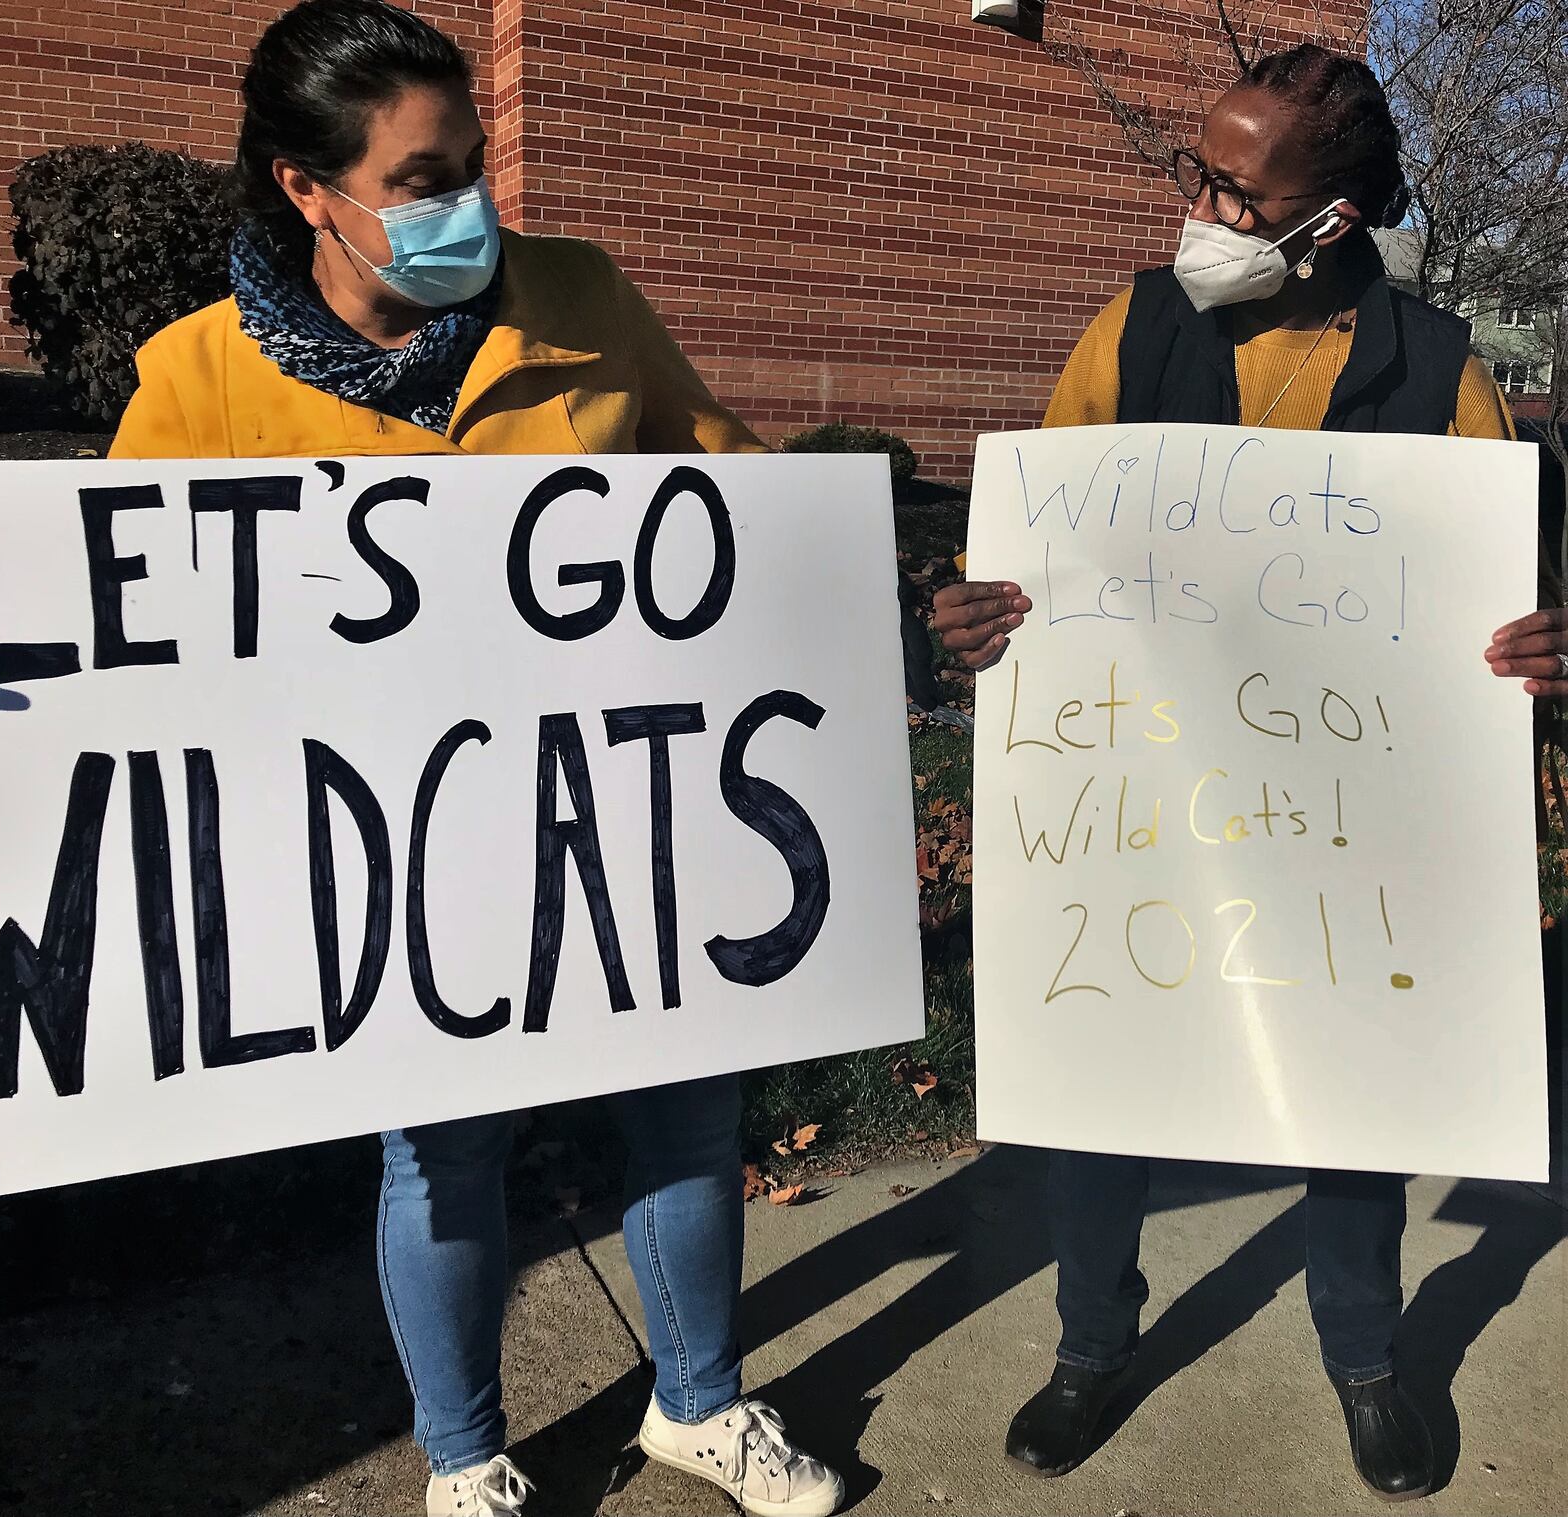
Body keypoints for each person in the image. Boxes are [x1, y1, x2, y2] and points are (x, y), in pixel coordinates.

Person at [109, 5, 844, 1515]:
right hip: (402, 865)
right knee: (443, 1155)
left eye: (477, 162)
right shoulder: (195, 382)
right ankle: (465, 1455)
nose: (472, 206)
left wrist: (878, 591)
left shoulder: (578, 298)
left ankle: (700, 1403)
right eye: (423, 178)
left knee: (687, 1117)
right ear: (306, 187)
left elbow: (735, 495)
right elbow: (129, 650)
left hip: (621, 817)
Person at [933, 42, 1562, 1502]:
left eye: (1232, 185)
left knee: (1349, 1092)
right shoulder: (1133, 330)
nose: (1199, 206)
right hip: (1140, 808)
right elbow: (1027, 545)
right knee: (1112, 1074)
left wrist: (1537, 651)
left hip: (1342, 832)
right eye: (1197, 170)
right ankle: (1094, 1341)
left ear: (1327, 223)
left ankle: (1365, 1357)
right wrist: (975, 608)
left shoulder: (1440, 372)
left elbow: (1496, 605)